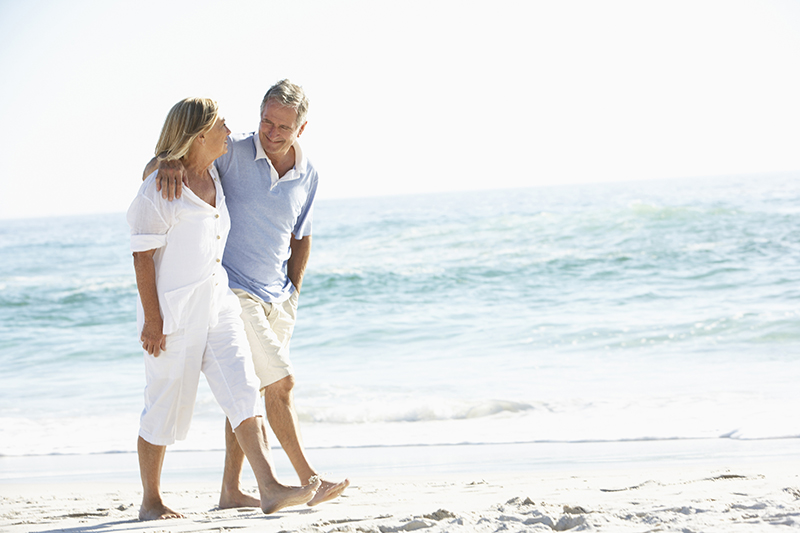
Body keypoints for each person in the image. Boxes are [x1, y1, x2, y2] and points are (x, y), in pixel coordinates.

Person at [145, 80, 348, 509]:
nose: (272, 133)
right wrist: (163, 160)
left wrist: (293, 291)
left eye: (283, 127)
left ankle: (231, 491)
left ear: (302, 128)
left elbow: (301, 236)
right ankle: (308, 480)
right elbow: (177, 159)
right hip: (233, 291)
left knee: (245, 392)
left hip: (277, 295)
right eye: (266, 122)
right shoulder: (231, 150)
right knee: (281, 383)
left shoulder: (308, 173)